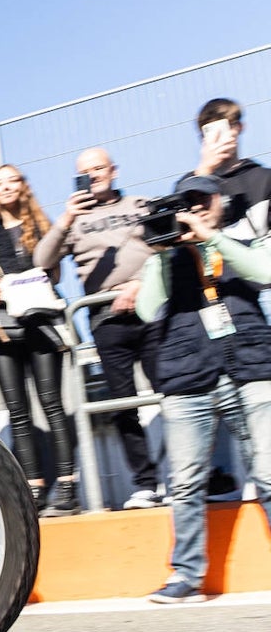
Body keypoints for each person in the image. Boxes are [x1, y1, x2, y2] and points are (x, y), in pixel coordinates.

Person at [136, 174, 271, 603]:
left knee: (270, 473)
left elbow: (264, 273)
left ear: (219, 201)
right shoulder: (166, 256)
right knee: (186, 482)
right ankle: (186, 577)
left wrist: (212, 238)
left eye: (201, 199)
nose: (193, 208)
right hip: (188, 377)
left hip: (248, 368)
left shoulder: (241, 237)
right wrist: (160, 253)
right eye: (185, 201)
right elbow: (147, 309)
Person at [32, 148, 162, 509]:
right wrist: (66, 218)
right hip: (105, 318)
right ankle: (146, 484)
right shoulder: (73, 219)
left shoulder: (140, 204)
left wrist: (138, 285)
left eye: (99, 169)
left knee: (173, 393)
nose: (93, 176)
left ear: (113, 170)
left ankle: (186, 475)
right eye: (85, 172)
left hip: (151, 308)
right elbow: (42, 261)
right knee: (123, 404)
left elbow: (164, 248)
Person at [0, 165, 78, 516]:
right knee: (18, 411)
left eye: (11, 180)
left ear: (23, 186)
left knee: (51, 403)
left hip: (40, 320)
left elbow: (55, 270)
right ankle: (33, 488)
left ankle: (67, 486)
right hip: (2, 326)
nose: (5, 188)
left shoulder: (41, 225)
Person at [189, 98, 271, 322]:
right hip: (211, 295)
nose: (217, 137)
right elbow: (178, 225)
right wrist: (204, 170)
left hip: (260, 290)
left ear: (238, 128)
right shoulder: (191, 184)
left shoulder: (263, 179)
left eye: (223, 127)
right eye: (209, 131)